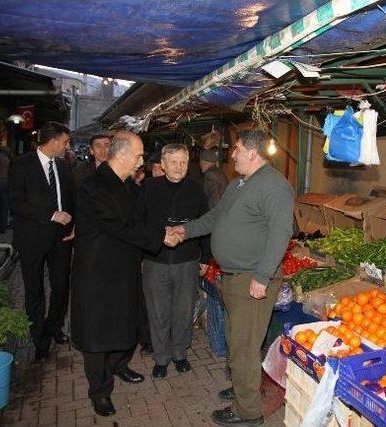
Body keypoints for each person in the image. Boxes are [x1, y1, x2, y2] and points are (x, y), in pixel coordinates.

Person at [168, 130, 294, 426]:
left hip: (252, 278)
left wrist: (262, 277)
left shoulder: (275, 187)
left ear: (252, 152)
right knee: (235, 340)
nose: (231, 154)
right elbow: (214, 218)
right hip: (233, 277)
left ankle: (248, 412)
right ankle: (242, 389)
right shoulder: (238, 184)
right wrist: (184, 230)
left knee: (244, 345)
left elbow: (280, 234)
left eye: (236, 149)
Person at [70, 130, 177, 417]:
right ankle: (100, 391)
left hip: (123, 268)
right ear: (122, 154)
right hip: (98, 273)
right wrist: (161, 236)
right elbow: (120, 225)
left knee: (124, 323)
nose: (142, 161)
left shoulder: (126, 183)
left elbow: (138, 217)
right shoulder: (95, 185)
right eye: (139, 155)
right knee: (98, 332)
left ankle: (119, 366)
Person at [139, 143, 210, 378]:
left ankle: (180, 354)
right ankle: (161, 358)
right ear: (163, 163)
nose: (179, 167)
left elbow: (206, 224)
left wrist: (205, 257)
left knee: (183, 310)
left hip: (187, 260)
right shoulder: (148, 187)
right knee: (158, 312)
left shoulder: (197, 189)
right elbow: (139, 223)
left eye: (183, 162)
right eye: (174, 162)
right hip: (155, 260)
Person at [8, 121, 75, 361]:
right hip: (32, 238)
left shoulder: (65, 167)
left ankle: (54, 327)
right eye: (65, 142)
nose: (68, 146)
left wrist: (73, 225)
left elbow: (71, 200)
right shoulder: (21, 165)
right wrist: (50, 215)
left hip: (61, 238)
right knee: (34, 289)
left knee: (61, 286)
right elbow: (16, 203)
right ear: (54, 141)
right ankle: (39, 338)